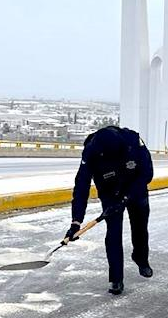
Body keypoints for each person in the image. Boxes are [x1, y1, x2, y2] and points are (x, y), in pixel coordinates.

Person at [65, 126, 154, 295]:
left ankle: (141, 258)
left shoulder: (134, 141)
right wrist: (76, 221)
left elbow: (147, 174)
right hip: (109, 190)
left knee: (140, 227)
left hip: (135, 187)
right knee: (113, 233)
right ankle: (116, 279)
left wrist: (126, 198)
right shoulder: (91, 151)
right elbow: (81, 186)